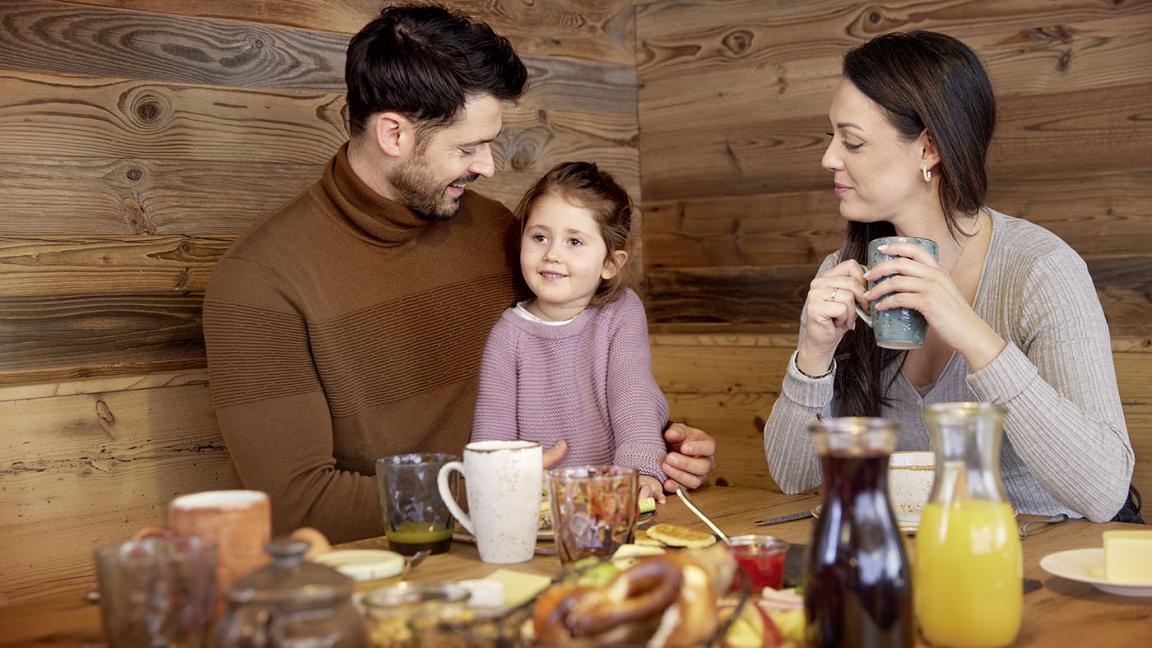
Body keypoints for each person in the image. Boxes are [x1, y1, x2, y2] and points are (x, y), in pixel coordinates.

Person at [203, 4, 715, 543]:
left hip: (550, 540)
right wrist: (497, 491)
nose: (488, 167)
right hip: (394, 567)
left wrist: (659, 451)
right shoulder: (259, 282)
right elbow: (298, 505)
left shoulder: (499, 233)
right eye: (468, 147)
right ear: (394, 134)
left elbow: (576, 366)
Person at [762, 31, 1134, 523]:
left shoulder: (1040, 269)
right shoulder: (845, 273)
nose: (829, 158)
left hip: (1033, 556)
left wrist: (973, 336)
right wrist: (813, 357)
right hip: (907, 554)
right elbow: (792, 476)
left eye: (852, 141)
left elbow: (1104, 490)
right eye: (833, 137)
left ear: (929, 149)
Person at [472, 162, 669, 500]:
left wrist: (640, 471)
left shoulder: (621, 311)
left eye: (574, 241)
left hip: (615, 496)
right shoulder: (508, 334)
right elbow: (492, 431)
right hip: (539, 503)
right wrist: (510, 479)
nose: (552, 254)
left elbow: (633, 395)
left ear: (611, 264)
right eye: (539, 237)